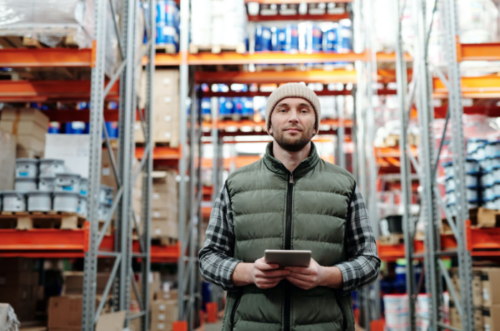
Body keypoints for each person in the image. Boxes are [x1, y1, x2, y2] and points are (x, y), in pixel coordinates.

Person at [199, 83, 381, 331]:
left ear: (315, 126)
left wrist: (326, 276)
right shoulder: (236, 184)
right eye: (283, 110)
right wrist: (248, 272)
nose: (294, 117)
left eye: (304, 110)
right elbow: (209, 258)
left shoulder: (344, 185)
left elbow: (369, 261)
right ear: (269, 124)